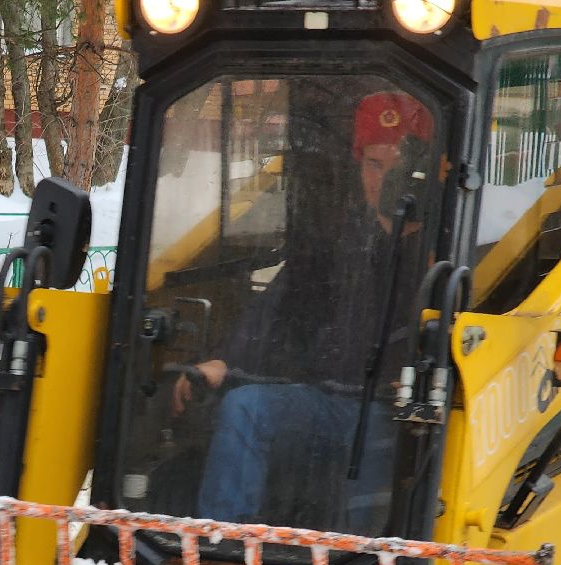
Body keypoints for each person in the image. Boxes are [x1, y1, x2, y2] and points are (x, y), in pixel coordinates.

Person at [173, 90, 436, 532]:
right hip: (325, 403)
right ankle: (224, 545)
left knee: (374, 435)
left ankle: (363, 562)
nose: (382, 180)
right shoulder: (342, 239)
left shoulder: (443, 249)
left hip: (393, 412)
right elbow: (281, 302)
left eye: (396, 168)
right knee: (246, 407)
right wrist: (225, 360)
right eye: (373, 165)